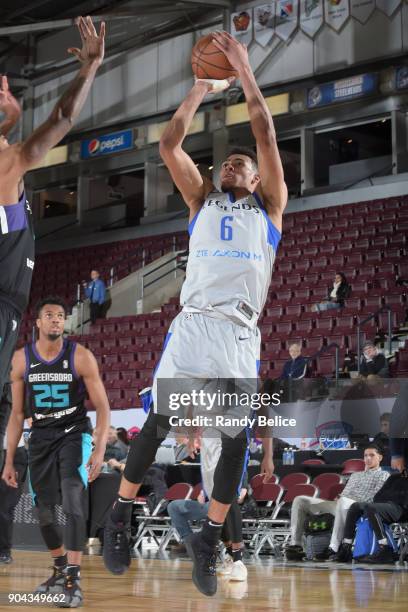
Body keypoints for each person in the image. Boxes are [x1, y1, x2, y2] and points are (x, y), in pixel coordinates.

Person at [102, 30, 287, 597]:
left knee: (234, 439)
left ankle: (211, 538)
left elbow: (264, 127)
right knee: (157, 422)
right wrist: (201, 87)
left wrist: (244, 68)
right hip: (195, 323)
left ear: (257, 179)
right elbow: (169, 145)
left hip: (237, 331)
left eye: (243, 163)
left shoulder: (271, 208)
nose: (235, 163)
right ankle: (119, 514)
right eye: (228, 162)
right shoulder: (200, 199)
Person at [0, 16, 105, 426]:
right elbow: (62, 119)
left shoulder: (9, 165)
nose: (5, 89)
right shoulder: (6, 166)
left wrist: (10, 116)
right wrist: (90, 67)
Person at [2, 296, 110, 608]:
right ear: (37, 322)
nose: (56, 320)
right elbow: (17, 414)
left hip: (74, 434)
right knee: (44, 513)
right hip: (40, 437)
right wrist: (9, 459)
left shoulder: (81, 357)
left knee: (74, 499)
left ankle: (74, 579)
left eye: (60, 316)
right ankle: (60, 568)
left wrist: (100, 449)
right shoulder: (22, 360)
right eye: (49, 315)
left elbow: (103, 408)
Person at [285, 445, 389, 561]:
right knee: (300, 500)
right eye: (365, 456)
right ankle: (296, 545)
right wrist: (341, 498)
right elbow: (345, 493)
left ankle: (334, 547)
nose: (368, 458)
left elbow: (374, 497)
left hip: (359, 507)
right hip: (341, 504)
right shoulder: (355, 475)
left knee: (343, 501)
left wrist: (347, 498)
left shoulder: (383, 475)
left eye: (372, 455)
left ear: (380, 457)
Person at [334, 469, 408, 564]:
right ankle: (346, 547)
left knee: (372, 507)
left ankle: (385, 548)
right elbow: (378, 497)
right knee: (355, 506)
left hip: (402, 510)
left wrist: (391, 499)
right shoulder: (394, 477)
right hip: (387, 506)